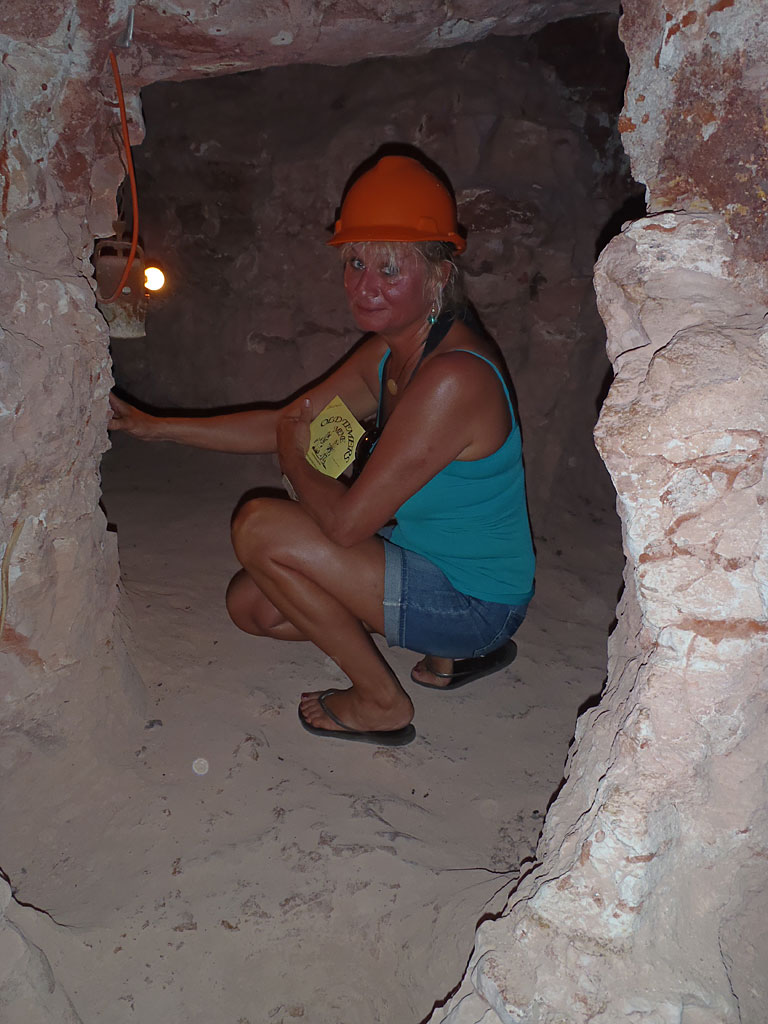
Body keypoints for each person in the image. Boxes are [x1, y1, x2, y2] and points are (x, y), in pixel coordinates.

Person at [108, 153, 535, 746]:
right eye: (355, 263)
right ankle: (442, 650)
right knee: (253, 607)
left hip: (475, 601)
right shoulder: (392, 351)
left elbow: (343, 523)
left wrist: (293, 455)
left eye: (390, 268)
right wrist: (156, 426)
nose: (365, 286)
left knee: (260, 527)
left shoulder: (453, 378)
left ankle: (382, 700)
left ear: (440, 275)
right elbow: (290, 421)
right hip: (422, 559)